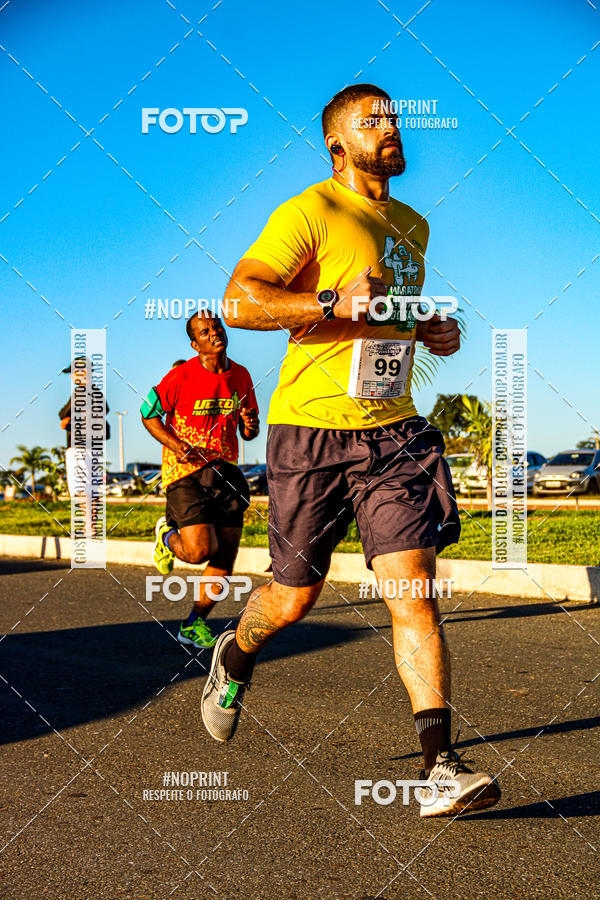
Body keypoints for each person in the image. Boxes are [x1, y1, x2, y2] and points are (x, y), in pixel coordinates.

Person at [201, 83, 500, 818]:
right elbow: (241, 300)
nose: (392, 127)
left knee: (414, 591)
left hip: (393, 430)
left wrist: (426, 328)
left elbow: (383, 315)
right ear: (338, 146)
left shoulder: (412, 225)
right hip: (310, 431)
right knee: (296, 596)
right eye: (374, 121)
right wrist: (330, 302)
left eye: (396, 116)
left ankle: (440, 769)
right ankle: (236, 652)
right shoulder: (311, 210)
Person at [140, 311, 259, 650]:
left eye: (217, 327)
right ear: (195, 344)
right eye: (205, 331)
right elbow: (147, 413)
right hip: (186, 473)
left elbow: (248, 433)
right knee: (198, 552)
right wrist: (176, 445)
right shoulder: (179, 376)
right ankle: (168, 535)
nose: (214, 333)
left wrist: (250, 423)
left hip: (226, 471)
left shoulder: (242, 375)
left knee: (225, 558)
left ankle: (194, 624)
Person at [59, 358, 110, 497]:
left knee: (81, 491)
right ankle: (91, 519)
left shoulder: (81, 392)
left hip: (79, 446)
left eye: (73, 372)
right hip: (94, 445)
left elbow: (63, 414)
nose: (71, 376)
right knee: (91, 490)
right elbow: (105, 409)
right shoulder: (96, 392)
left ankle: (87, 519)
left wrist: (68, 420)